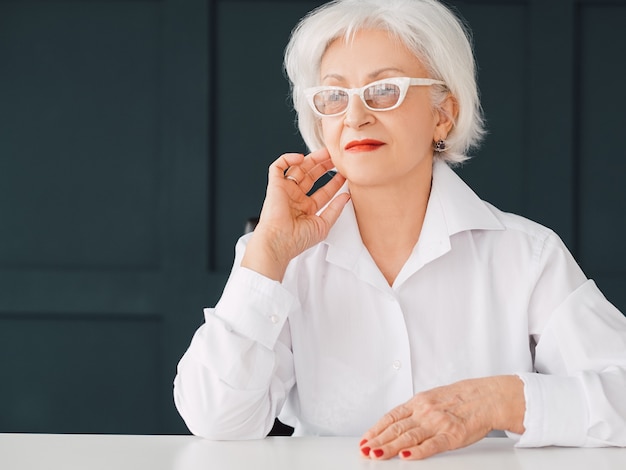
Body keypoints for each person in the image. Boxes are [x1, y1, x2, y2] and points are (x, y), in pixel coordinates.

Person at [173, 0, 626, 460]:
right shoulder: (281, 259)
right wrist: (266, 257)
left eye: (384, 89)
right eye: (334, 96)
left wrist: (499, 400)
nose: (355, 117)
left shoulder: (528, 256)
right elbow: (216, 420)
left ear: (443, 114)